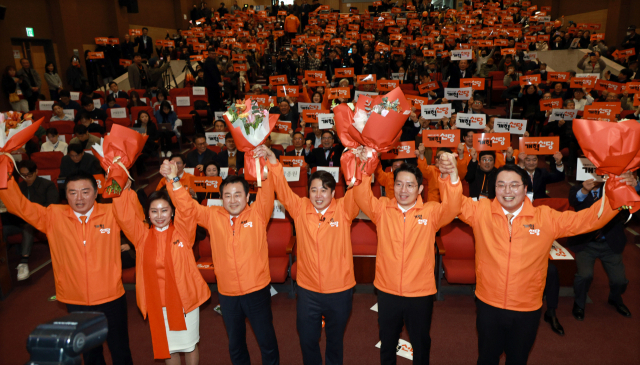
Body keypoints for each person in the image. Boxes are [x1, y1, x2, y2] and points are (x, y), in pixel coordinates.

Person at [457, 164, 633, 365]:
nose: (507, 191)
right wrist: (450, 177)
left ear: (525, 189)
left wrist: (617, 191)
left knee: (518, 359)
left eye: (514, 185)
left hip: (526, 307)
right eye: (501, 185)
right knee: (487, 359)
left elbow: (589, 220)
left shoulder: (545, 218)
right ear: (494, 188)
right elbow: (455, 201)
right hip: (488, 303)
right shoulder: (481, 212)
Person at [0, 172, 134, 365]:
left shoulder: (112, 212)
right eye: (72, 192)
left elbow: (136, 218)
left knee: (120, 350)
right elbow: (19, 206)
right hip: (76, 299)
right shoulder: (54, 215)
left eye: (85, 191)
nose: (79, 198)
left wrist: (126, 190)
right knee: (89, 353)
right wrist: (3, 171)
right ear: (66, 195)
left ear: (96, 192)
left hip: (111, 296)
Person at [160, 157, 281, 365]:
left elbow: (268, 187)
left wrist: (267, 163)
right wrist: (174, 180)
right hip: (227, 293)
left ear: (248, 196)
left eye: (237, 195)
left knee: (267, 341)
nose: (233, 200)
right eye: (227, 196)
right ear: (221, 198)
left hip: (257, 291)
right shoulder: (212, 216)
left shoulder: (259, 213)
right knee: (235, 345)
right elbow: (187, 207)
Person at [354, 152, 462, 365]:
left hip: (420, 292)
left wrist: (450, 177)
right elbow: (360, 196)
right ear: (392, 186)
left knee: (420, 343)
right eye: (399, 184)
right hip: (387, 290)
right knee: (387, 342)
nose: (403, 190)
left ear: (420, 189)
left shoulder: (431, 212)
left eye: (410, 185)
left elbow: (453, 206)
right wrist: (365, 165)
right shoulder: (382, 208)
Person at [259, 144, 359, 365]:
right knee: (307, 340)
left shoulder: (344, 209)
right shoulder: (300, 208)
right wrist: (273, 160)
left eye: (324, 190)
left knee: (335, 341)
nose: (318, 195)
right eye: (314, 189)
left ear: (333, 193)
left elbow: (357, 188)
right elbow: (283, 189)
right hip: (308, 291)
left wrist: (361, 162)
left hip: (339, 290)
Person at [113, 182, 210, 364]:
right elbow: (123, 215)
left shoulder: (183, 232)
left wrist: (173, 181)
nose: (159, 216)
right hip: (157, 304)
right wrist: (118, 185)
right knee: (168, 348)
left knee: (189, 345)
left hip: (185, 301)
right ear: (148, 214)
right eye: (154, 211)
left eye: (164, 210)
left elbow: (187, 208)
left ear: (172, 212)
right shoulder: (141, 235)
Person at [568, 178, 638, 320]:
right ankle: (579, 303)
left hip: (610, 243)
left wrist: (635, 186)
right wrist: (585, 190)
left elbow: (632, 198)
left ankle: (615, 298)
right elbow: (575, 201)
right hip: (586, 244)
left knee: (620, 280)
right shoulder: (577, 190)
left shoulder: (614, 189)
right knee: (584, 276)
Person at [2, 160, 58, 280]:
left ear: (36, 172)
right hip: (18, 222)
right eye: (23, 176)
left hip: (38, 220)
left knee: (28, 226)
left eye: (29, 175)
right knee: (3, 230)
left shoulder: (47, 185)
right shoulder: (19, 187)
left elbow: (51, 206)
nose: (26, 178)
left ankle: (23, 262)